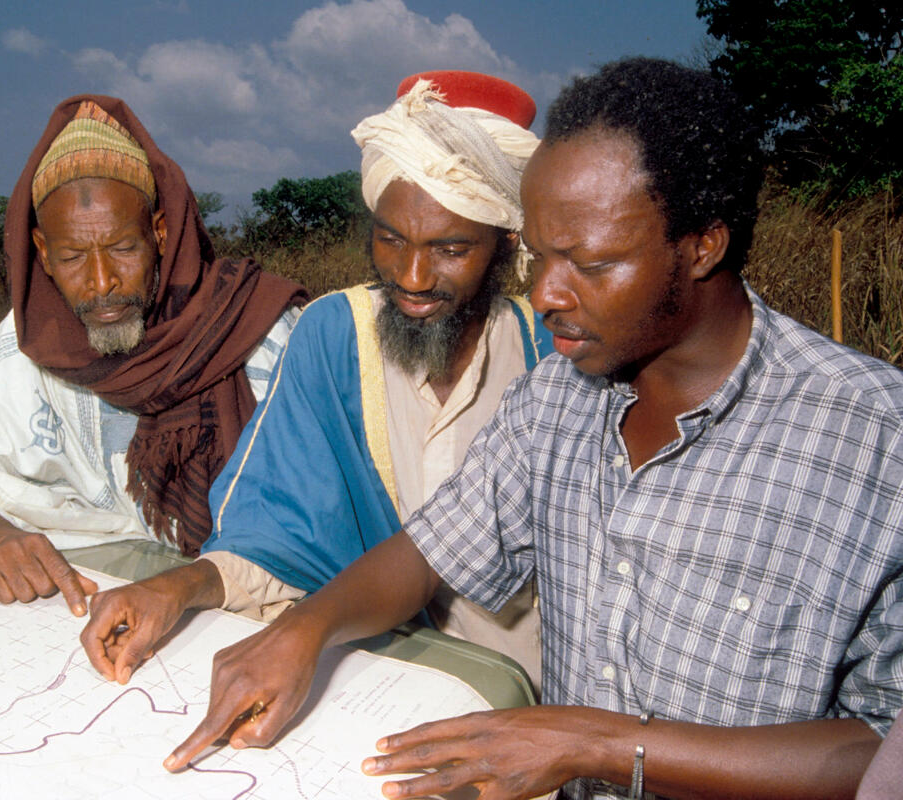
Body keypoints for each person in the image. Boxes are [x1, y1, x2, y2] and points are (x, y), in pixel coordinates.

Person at [157, 58, 903, 799]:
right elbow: (428, 554)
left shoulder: (880, 442)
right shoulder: (556, 398)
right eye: (540, 257)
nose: (546, 294)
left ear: (703, 245)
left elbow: (886, 752)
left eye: (588, 261)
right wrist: (306, 630)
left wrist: (595, 744)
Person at [79, 71, 552, 691]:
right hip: (383, 679)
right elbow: (276, 526)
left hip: (532, 689)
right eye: (390, 239)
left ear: (506, 241)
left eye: (451, 248)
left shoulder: (551, 350)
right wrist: (181, 585)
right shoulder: (334, 335)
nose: (410, 276)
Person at [0, 96, 306, 616]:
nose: (102, 284)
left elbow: (325, 519)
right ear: (42, 252)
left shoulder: (259, 330)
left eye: (124, 249)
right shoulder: (28, 344)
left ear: (160, 235)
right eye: (74, 257)